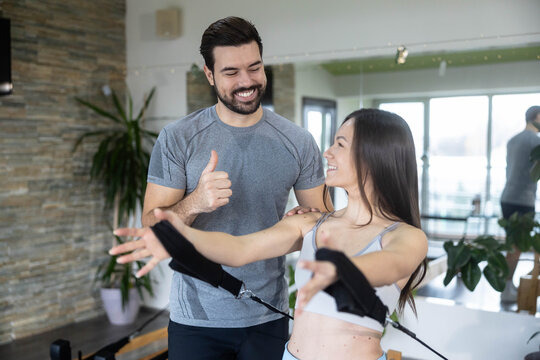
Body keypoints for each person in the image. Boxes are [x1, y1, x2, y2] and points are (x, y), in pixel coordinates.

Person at [111, 109, 428, 360]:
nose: (327, 152)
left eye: (340, 145)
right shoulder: (311, 223)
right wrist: (177, 235)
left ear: (373, 157)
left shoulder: (405, 236)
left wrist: (342, 270)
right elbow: (238, 249)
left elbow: (392, 264)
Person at [141, 16, 330, 360]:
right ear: (210, 75)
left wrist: (302, 224)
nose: (247, 81)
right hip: (196, 320)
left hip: (268, 314)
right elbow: (153, 228)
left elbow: (324, 229)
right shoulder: (178, 138)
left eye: (255, 68)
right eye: (231, 73)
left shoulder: (298, 142)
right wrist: (195, 202)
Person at [499, 105, 540, 303]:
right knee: (516, 247)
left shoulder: (512, 140)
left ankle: (508, 286)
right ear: (537, 117)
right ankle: (506, 289)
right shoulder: (535, 142)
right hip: (522, 200)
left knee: (512, 245)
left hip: (507, 197)